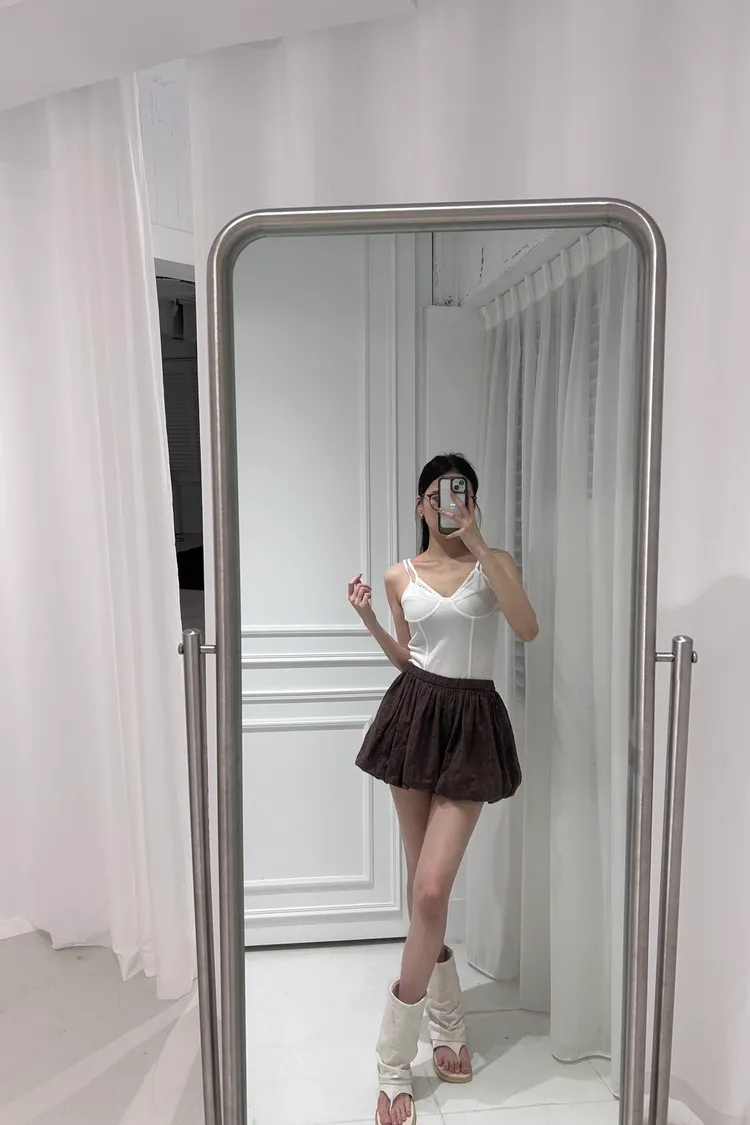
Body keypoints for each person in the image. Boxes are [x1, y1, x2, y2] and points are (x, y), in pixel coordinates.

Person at [348, 452, 538, 1125]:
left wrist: (480, 542)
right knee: (421, 892)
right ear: (420, 505)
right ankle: (448, 1018)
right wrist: (370, 620)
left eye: (459, 492)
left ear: (472, 500)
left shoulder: (496, 562)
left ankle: (393, 1058)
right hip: (414, 716)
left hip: (472, 722)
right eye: (435, 494)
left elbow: (527, 627)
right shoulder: (400, 574)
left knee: (431, 890)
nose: (446, 502)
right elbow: (409, 656)